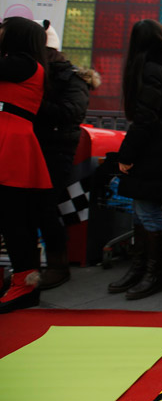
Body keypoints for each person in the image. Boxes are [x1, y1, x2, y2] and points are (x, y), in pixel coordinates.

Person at [107, 19, 162, 301]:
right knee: (143, 210)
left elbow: (144, 119)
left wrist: (126, 155)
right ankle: (142, 269)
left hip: (152, 149)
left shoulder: (150, 70)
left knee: (147, 211)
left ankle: (153, 273)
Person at [34, 21, 101, 290]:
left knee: (44, 206)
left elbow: (71, 113)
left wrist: (31, 103)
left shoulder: (71, 78)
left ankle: (57, 265)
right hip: (36, 146)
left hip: (55, 150)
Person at [0, 17, 52, 313]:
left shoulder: (24, 64)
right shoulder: (22, 64)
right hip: (10, 141)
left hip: (11, 144)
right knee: (14, 218)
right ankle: (22, 282)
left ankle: (24, 284)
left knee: (14, 219)